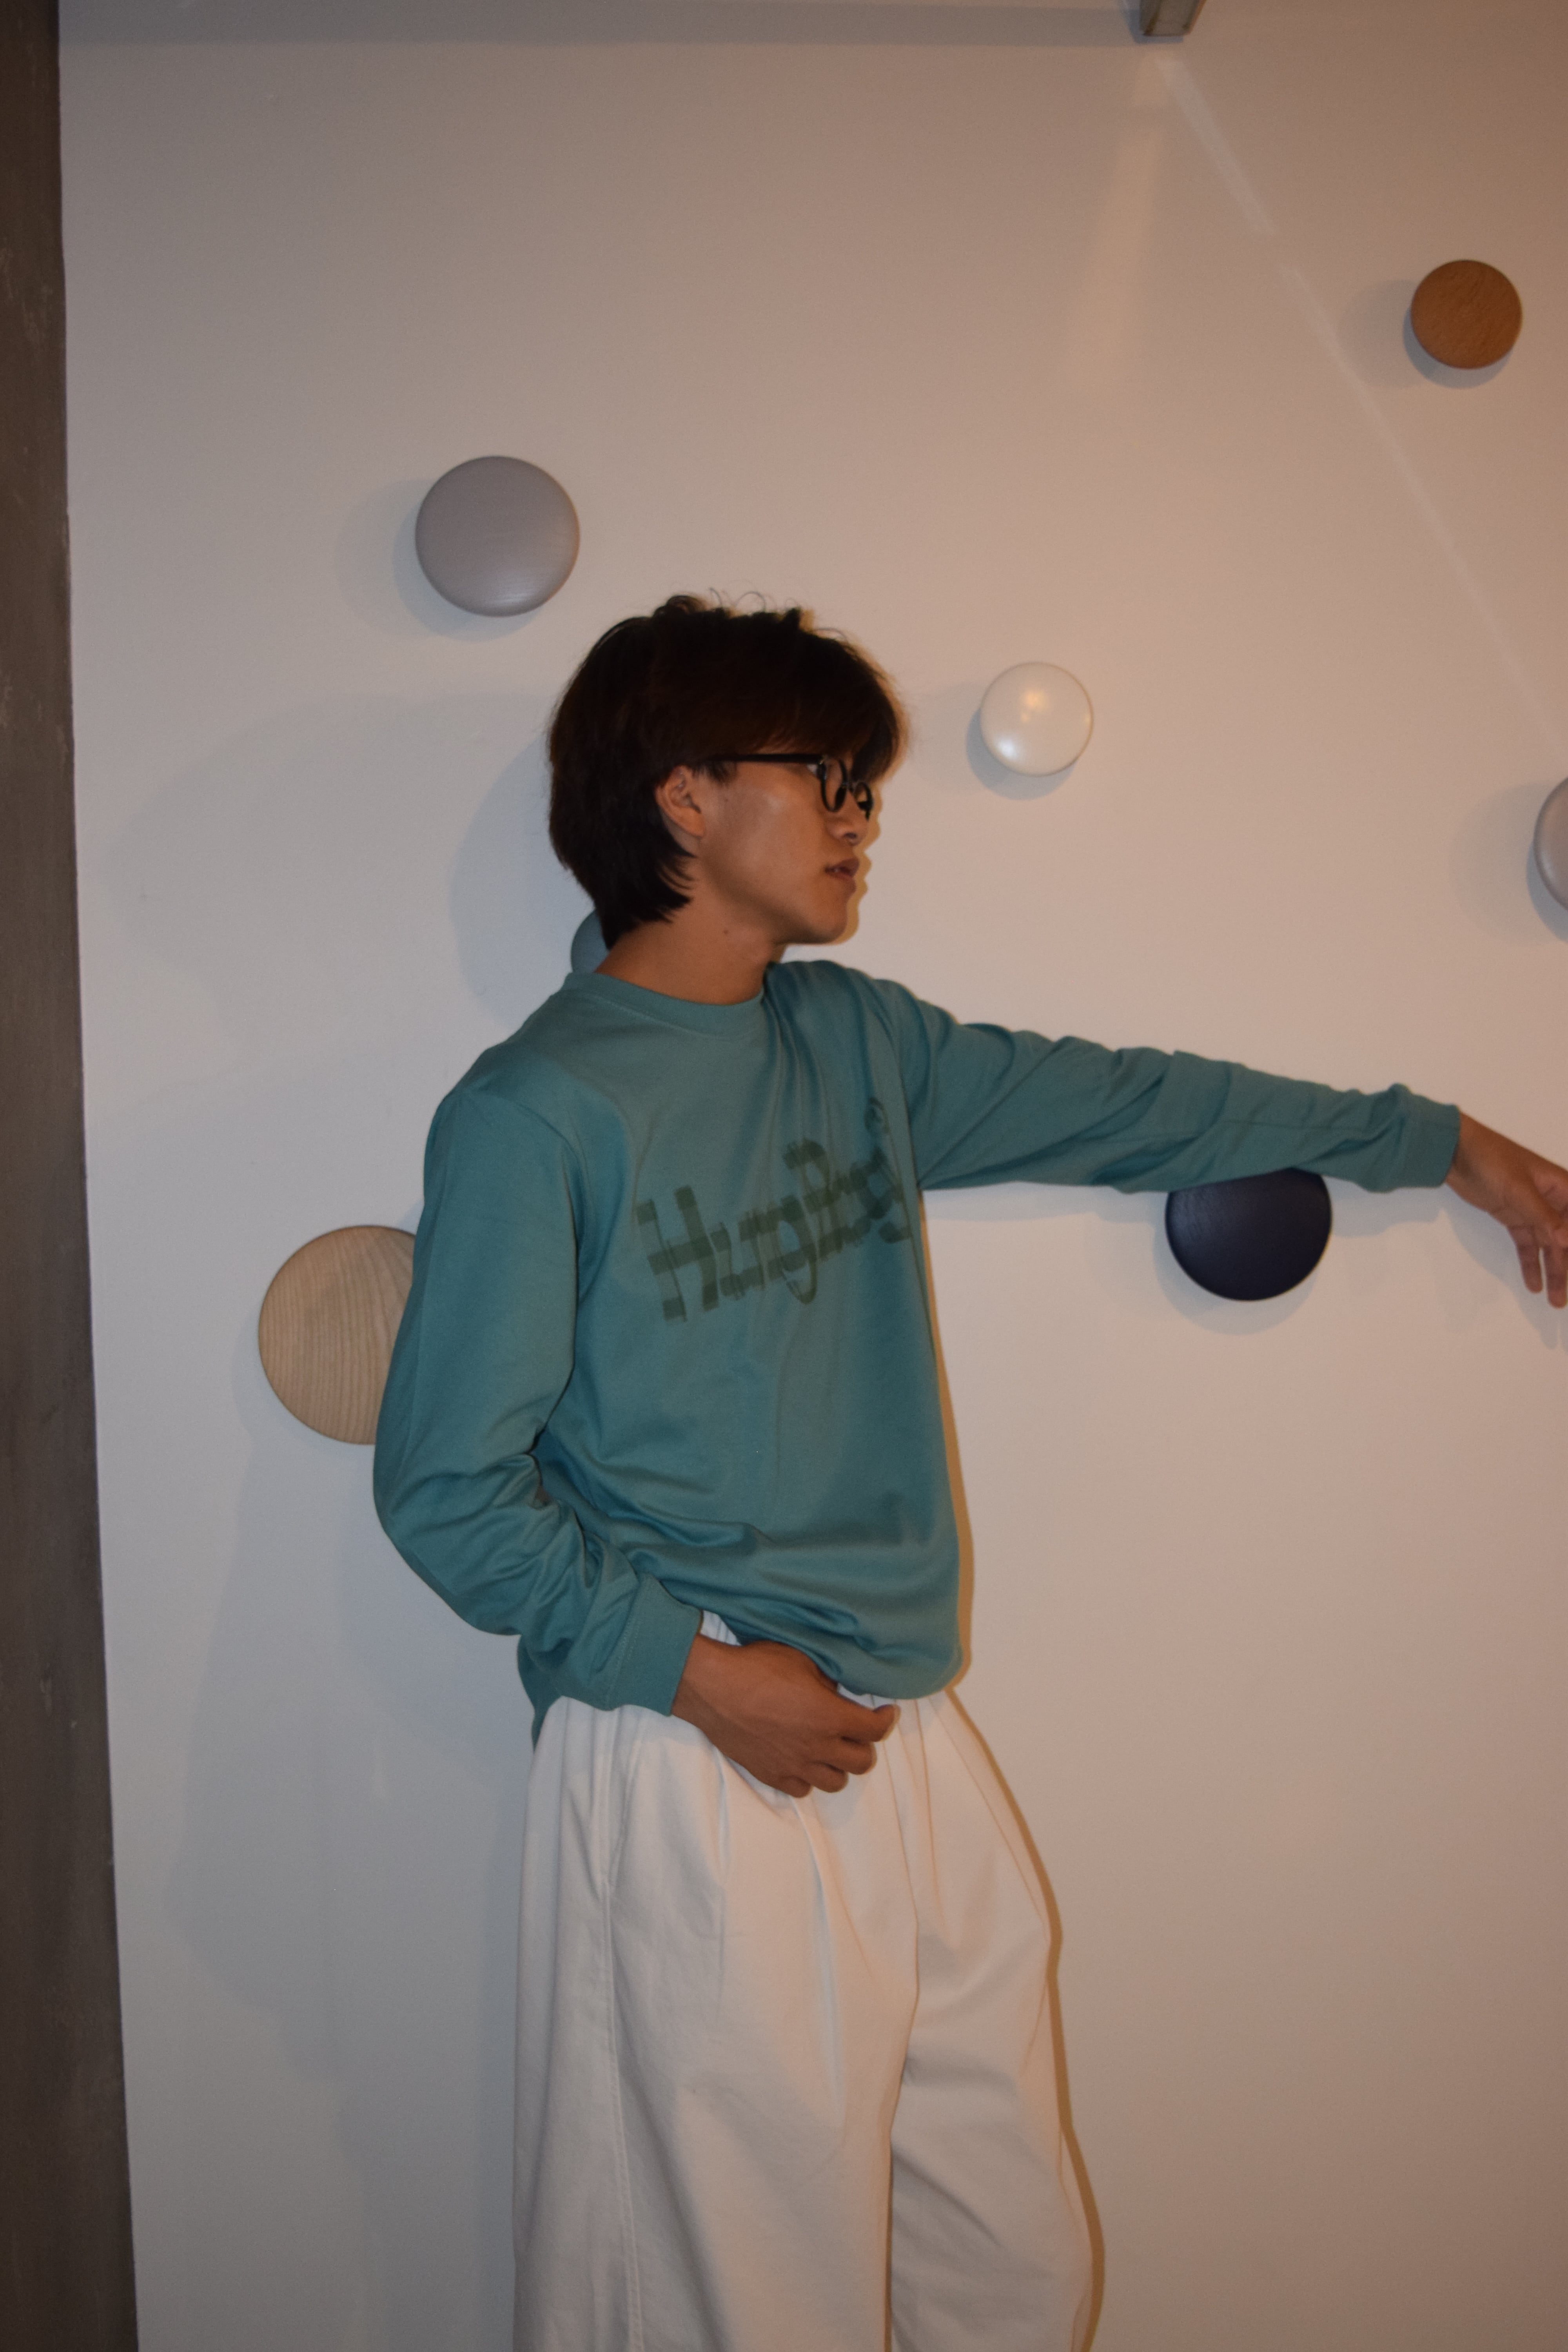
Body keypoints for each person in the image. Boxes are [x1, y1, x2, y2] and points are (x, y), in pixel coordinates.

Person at [374, 596, 1568, 2352]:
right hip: (697, 1746)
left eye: (864, 783)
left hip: (904, 1729)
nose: (861, 816)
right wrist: (701, 1682)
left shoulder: (857, 1045)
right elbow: (445, 1491)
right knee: (737, 2306)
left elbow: (1141, 1104)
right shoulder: (535, 1111)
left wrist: (1440, 1142)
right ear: (685, 794)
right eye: (828, 776)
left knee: (1007, 2272)